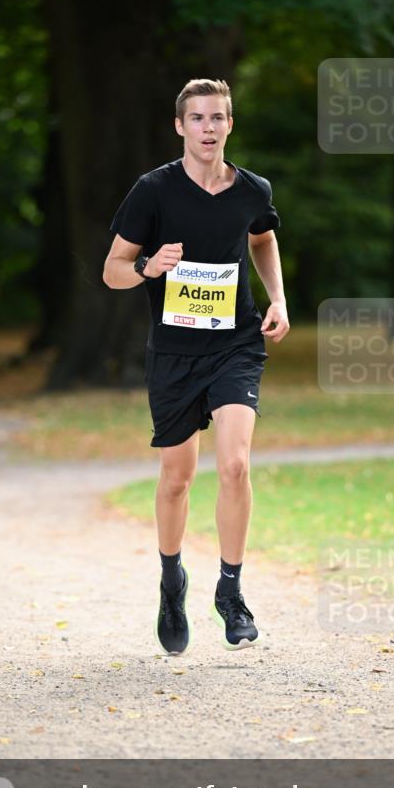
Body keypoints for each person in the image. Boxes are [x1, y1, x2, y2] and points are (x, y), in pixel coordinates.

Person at [103, 78, 290, 654]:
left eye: (218, 118)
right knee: (177, 478)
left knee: (234, 465)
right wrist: (148, 268)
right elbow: (112, 268)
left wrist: (278, 298)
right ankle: (170, 581)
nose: (208, 128)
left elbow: (262, 239)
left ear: (230, 125)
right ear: (180, 126)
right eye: (198, 119)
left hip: (235, 344)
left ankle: (230, 592)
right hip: (174, 355)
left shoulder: (252, 190)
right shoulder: (153, 191)